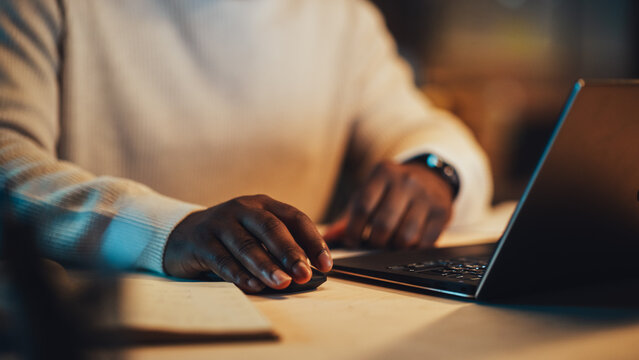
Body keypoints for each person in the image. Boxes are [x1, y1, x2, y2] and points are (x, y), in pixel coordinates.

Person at [0, 0, 492, 292]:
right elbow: (8, 161)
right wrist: (171, 229)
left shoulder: (339, 16)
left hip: (299, 320)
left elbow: (427, 130)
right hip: (100, 325)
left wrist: (433, 171)